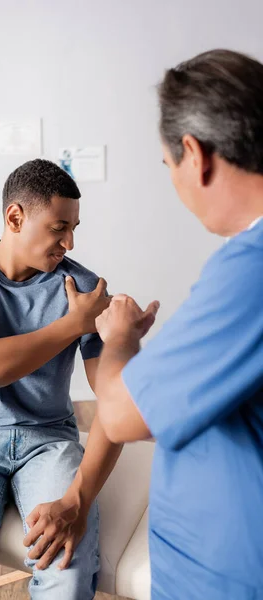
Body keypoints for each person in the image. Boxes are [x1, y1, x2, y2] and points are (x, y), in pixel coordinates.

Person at [95, 49, 263, 600]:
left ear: (195, 154)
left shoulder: (250, 270)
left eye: (168, 167)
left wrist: (117, 340)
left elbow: (121, 414)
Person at [0, 158, 122, 600]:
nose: (69, 242)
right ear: (15, 217)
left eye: (75, 228)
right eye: (58, 227)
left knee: (67, 575)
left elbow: (116, 402)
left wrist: (79, 501)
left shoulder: (83, 290)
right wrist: (72, 325)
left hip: (48, 439)